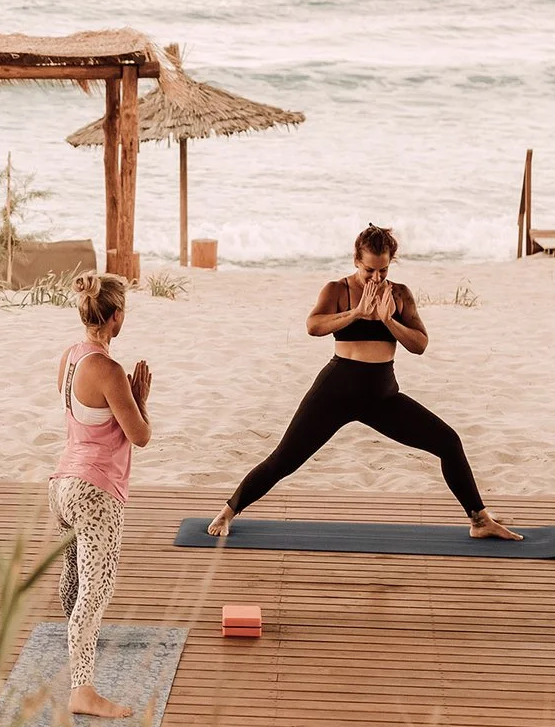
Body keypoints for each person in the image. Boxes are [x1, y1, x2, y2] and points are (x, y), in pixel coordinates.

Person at [207, 224, 522, 541]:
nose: (376, 277)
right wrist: (357, 313)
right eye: (370, 270)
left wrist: (389, 320)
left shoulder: (399, 294)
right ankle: (228, 511)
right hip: (334, 393)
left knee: (448, 442)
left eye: (383, 270)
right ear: (357, 260)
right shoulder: (337, 290)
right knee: (284, 459)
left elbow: (420, 344)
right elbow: (313, 326)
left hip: (382, 397)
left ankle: (479, 520)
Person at [50, 270, 152, 719]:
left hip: (62, 484)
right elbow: (140, 435)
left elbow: (82, 413)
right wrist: (139, 398)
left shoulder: (70, 358)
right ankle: (83, 691)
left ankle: (78, 649)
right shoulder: (109, 371)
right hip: (95, 490)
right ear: (115, 317)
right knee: (97, 589)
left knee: (74, 576)